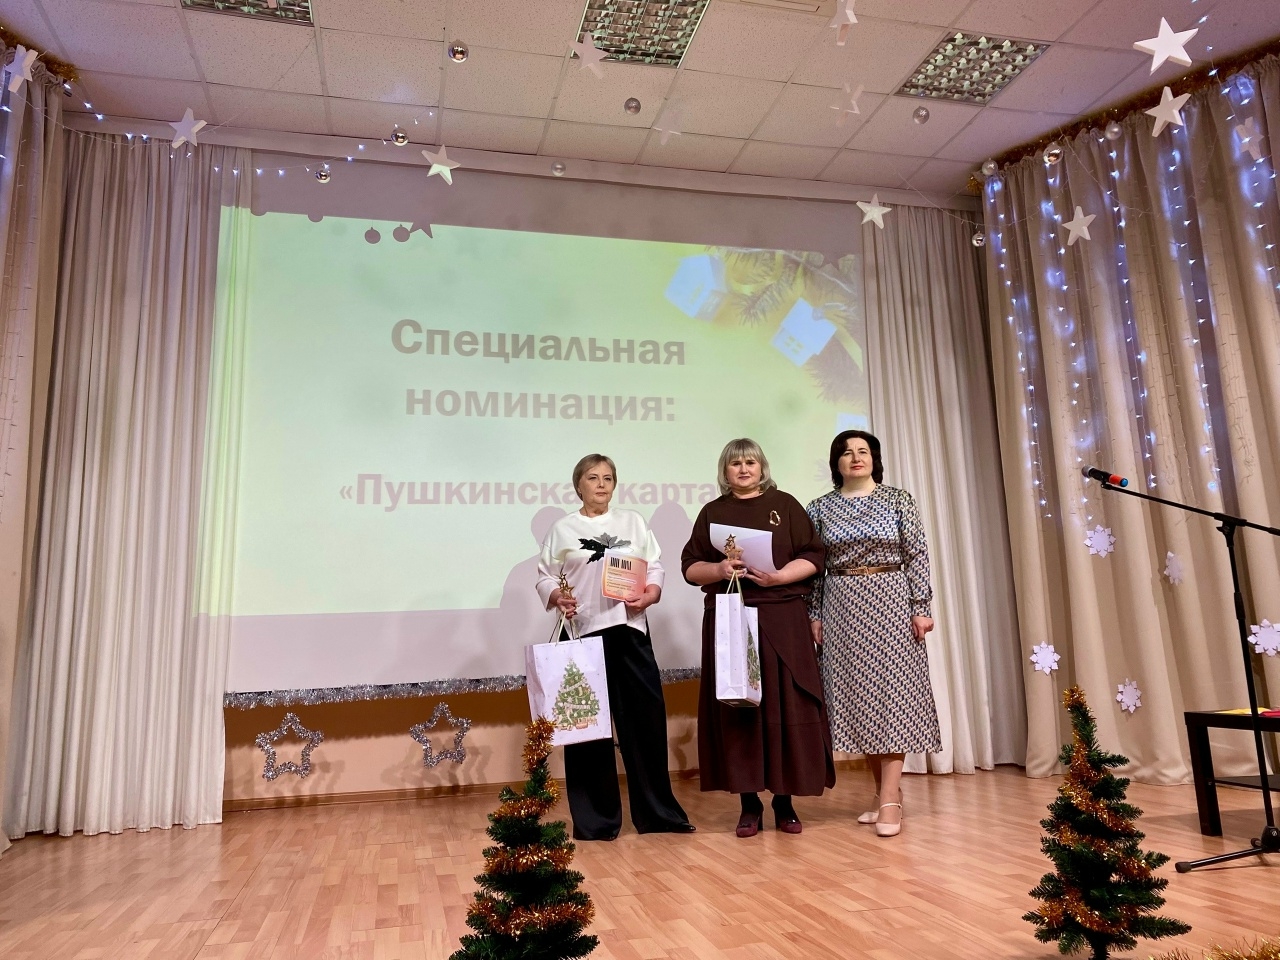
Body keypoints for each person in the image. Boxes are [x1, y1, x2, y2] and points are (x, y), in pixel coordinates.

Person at [535, 454, 695, 841]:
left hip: (629, 630)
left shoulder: (633, 522)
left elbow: (654, 566)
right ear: (578, 485)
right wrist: (556, 595)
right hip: (581, 634)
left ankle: (658, 815)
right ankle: (597, 821)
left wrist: (652, 592)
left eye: (608, 478)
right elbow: (544, 576)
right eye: (593, 478)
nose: (601, 484)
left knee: (644, 724)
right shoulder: (562, 529)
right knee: (586, 729)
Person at [681, 438, 835, 837]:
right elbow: (690, 568)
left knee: (786, 704)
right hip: (731, 616)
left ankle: (784, 801)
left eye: (750, 462)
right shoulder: (713, 512)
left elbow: (814, 557)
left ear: (762, 467)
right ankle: (748, 803)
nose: (744, 469)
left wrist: (779, 576)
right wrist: (719, 570)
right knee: (741, 707)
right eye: (735, 464)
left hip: (783, 614)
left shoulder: (785, 505)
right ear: (725, 471)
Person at [806, 430, 940, 838]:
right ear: (837, 462)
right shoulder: (819, 508)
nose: (855, 457)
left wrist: (921, 607)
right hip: (842, 605)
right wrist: (814, 614)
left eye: (863, 451)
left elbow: (917, 554)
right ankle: (884, 793)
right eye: (847, 452)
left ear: (874, 459)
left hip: (891, 601)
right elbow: (814, 568)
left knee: (893, 696)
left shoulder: (899, 500)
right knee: (858, 698)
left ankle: (890, 799)